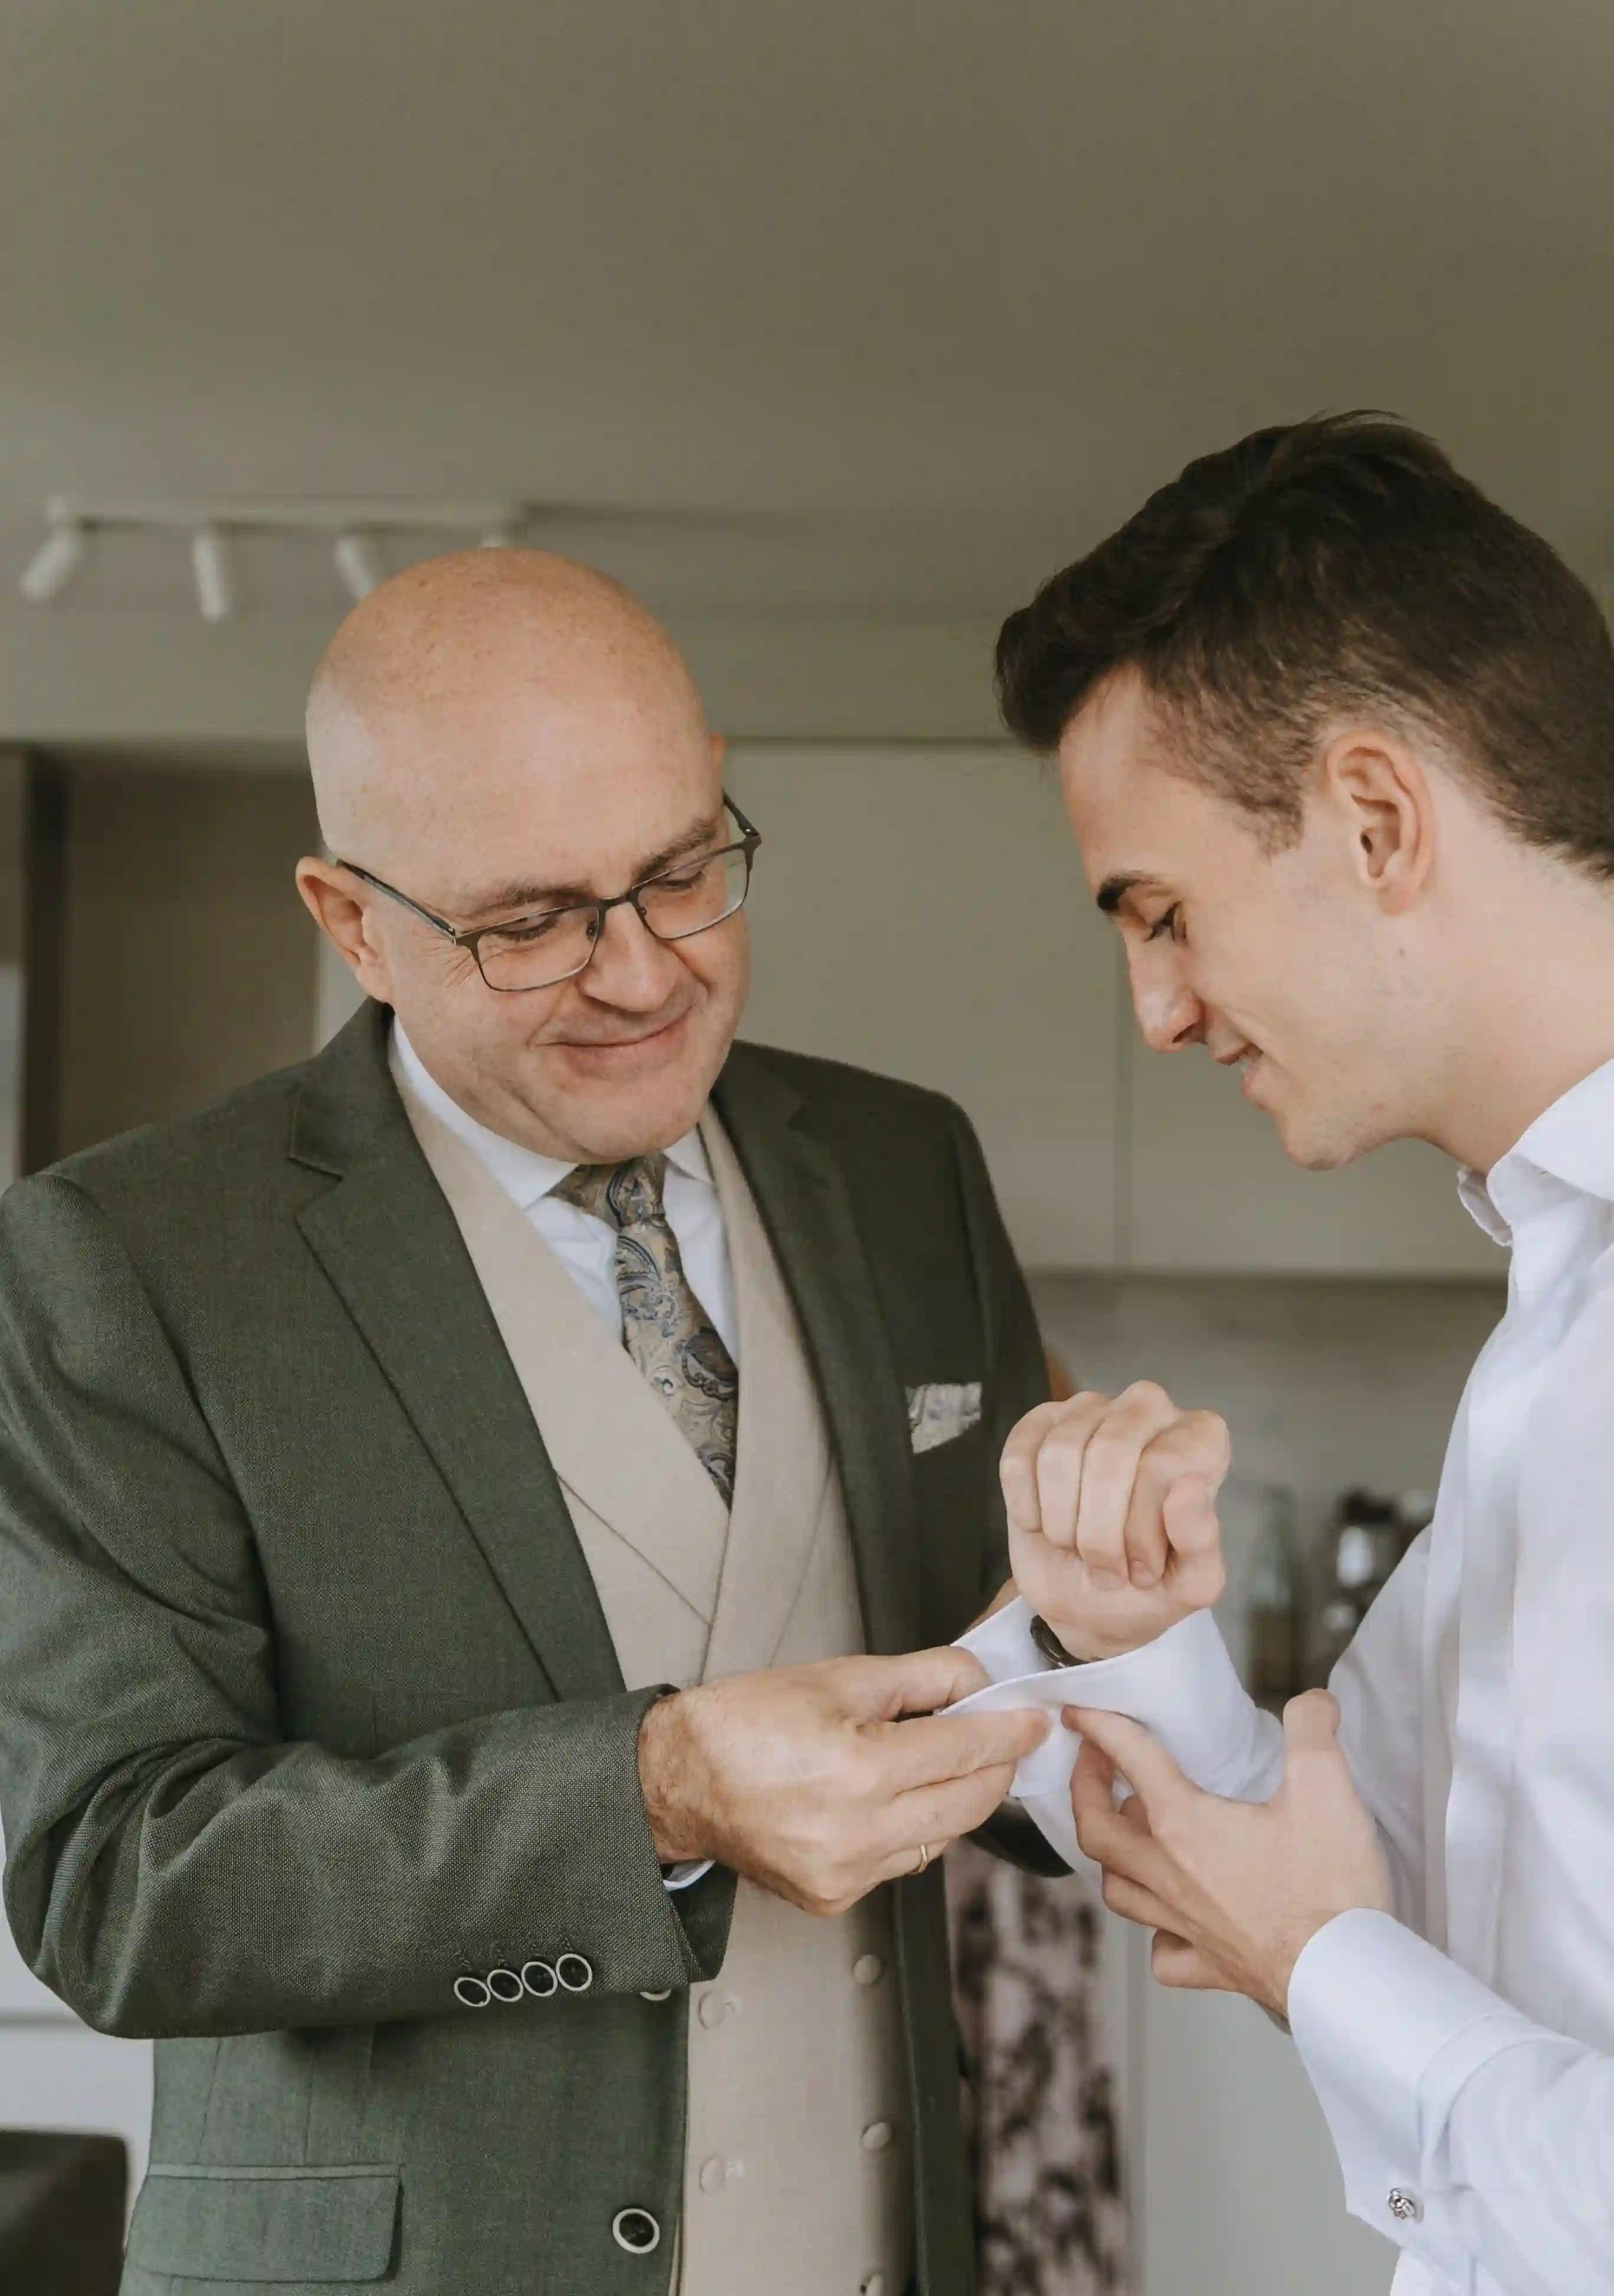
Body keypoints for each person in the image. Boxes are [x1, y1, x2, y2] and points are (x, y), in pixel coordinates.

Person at [0, 548, 1057, 2296]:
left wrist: (1107, 1619)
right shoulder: (129, 1259)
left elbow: (999, 1700)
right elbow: (122, 1885)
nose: (645, 974)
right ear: (353, 921)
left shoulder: (901, 1165)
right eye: (532, 919)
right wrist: (651, 1795)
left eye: (682, 870)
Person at [971, 413, 1614, 2296]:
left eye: (1163, 915)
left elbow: (1326, 1932)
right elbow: (1343, 1848)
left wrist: (1324, 1970)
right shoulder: (1553, 1327)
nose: (1159, 1012)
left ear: (1377, 818)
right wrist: (1129, 1637)